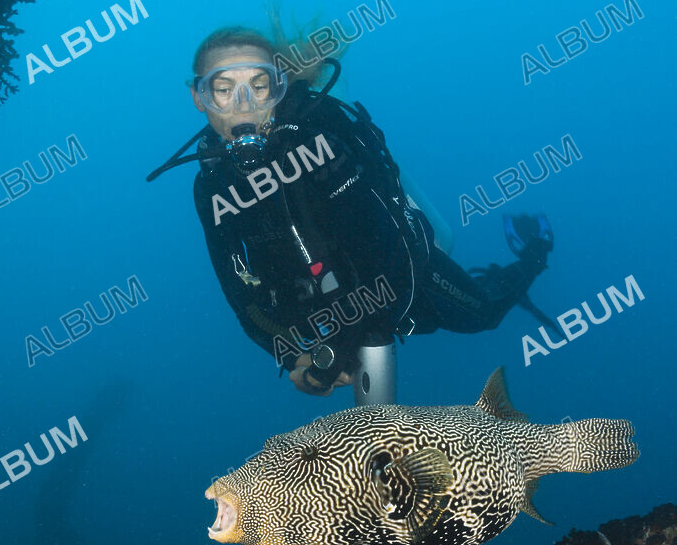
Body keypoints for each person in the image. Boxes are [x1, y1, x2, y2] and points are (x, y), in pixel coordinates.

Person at [148, 26, 557, 398]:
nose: (244, 106)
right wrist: (294, 357)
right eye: (223, 89)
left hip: (404, 275)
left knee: (482, 315)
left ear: (279, 87)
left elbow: (391, 250)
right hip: (319, 304)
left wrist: (359, 328)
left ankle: (535, 250)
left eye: (258, 86)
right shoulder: (211, 185)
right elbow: (241, 294)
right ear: (198, 97)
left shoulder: (322, 138)